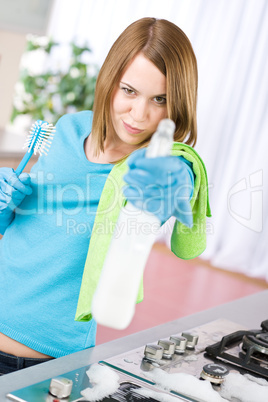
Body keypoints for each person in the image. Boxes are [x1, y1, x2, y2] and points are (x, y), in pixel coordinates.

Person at [0, 17, 209, 375]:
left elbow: (175, 178)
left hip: (38, 361)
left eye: (160, 99)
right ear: (109, 81)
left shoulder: (160, 162)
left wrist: (173, 182)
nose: (139, 114)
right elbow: (24, 225)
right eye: (129, 91)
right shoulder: (70, 128)